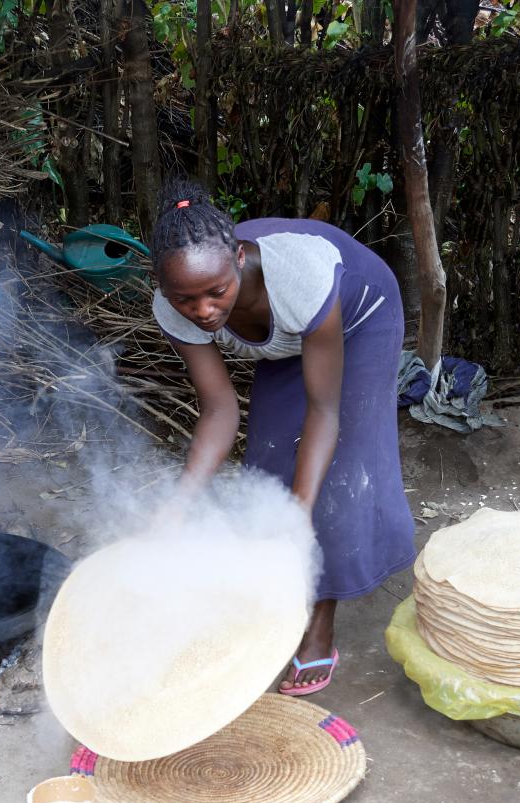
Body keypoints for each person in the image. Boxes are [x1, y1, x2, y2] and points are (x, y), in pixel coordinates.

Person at [151, 178, 415, 695]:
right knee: (267, 472)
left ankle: (318, 631)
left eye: (216, 292)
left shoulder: (298, 278)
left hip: (358, 317)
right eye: (186, 299)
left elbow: (324, 408)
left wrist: (300, 508)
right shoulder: (174, 306)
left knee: (328, 482)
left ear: (241, 259)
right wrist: (179, 501)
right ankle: (278, 596)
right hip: (290, 338)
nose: (203, 311)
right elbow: (220, 410)